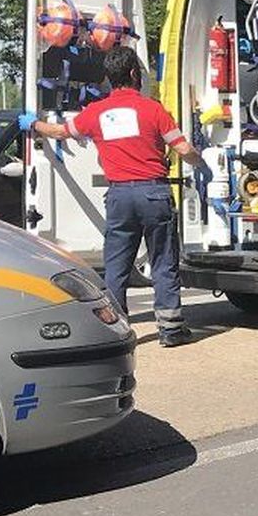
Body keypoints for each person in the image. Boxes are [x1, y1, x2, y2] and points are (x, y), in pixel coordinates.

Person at [24, 46, 207, 347]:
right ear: (134, 74)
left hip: (120, 196)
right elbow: (183, 149)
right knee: (162, 261)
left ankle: (117, 330)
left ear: (109, 77)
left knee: (117, 266)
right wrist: (202, 164)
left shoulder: (96, 112)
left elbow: (58, 132)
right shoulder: (153, 109)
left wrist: (32, 124)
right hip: (154, 193)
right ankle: (171, 329)